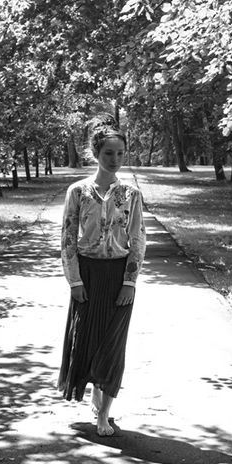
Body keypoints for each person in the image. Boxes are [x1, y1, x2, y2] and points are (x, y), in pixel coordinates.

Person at [58, 117, 147, 437]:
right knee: (86, 340)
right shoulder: (78, 192)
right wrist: (75, 281)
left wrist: (130, 281)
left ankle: (104, 414)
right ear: (96, 153)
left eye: (121, 153)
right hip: (87, 274)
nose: (115, 159)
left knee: (113, 345)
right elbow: (67, 238)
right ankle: (93, 387)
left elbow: (138, 239)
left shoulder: (132, 194)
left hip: (118, 276)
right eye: (109, 153)